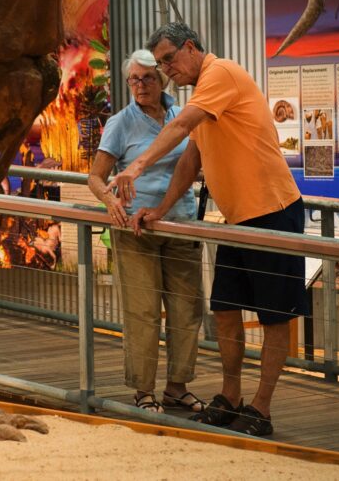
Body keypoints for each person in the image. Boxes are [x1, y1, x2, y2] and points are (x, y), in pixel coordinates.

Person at [111, 22, 308, 437]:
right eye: (157, 65)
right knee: (224, 310)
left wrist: (137, 165)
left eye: (168, 60)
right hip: (237, 220)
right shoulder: (203, 94)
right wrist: (161, 209)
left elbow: (180, 128)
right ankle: (230, 397)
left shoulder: (220, 73)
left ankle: (262, 407)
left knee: (274, 317)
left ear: (190, 47)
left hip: (273, 212)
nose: (166, 72)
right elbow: (190, 161)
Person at [88, 49, 206, 415]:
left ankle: (177, 387)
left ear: (163, 80)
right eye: (134, 80)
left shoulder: (178, 116)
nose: (140, 85)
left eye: (148, 78)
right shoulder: (120, 123)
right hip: (136, 229)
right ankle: (143, 390)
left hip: (181, 220)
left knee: (187, 308)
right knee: (143, 312)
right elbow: (95, 177)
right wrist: (111, 203)